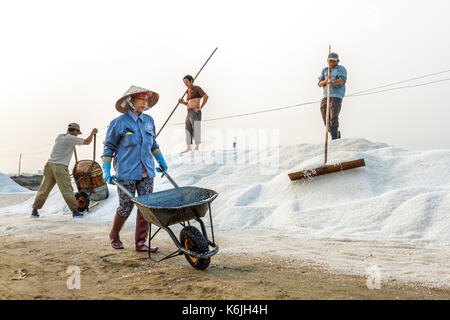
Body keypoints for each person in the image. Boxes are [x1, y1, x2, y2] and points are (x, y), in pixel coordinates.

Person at [102, 85, 168, 252]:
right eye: (141, 99)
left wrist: (161, 160)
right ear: (130, 101)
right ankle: (114, 235)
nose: (144, 102)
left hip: (147, 171)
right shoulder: (118, 123)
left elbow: (153, 144)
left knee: (145, 207)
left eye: (146, 100)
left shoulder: (149, 121)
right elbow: (109, 147)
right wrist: (106, 168)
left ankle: (140, 243)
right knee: (126, 207)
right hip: (126, 172)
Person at [31, 123, 98, 218]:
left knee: (44, 189)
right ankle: (75, 211)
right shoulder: (71, 138)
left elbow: (69, 143)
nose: (77, 135)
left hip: (49, 166)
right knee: (67, 190)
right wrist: (93, 133)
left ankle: (35, 210)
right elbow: (87, 141)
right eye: (77, 133)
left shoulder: (60, 137)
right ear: (75, 131)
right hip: (60, 167)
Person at [317, 52, 347, 140]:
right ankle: (335, 134)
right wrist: (326, 80)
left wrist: (333, 82)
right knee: (325, 117)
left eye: (333, 61)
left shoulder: (340, 68)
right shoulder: (325, 70)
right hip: (326, 96)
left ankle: (334, 139)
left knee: (333, 116)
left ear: (338, 61)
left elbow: (342, 80)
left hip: (336, 95)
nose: (331, 63)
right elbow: (319, 83)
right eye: (329, 61)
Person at [178, 75, 209, 153]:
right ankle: (189, 147)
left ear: (191, 81)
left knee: (196, 126)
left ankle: (197, 147)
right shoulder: (187, 91)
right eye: (184, 82)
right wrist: (182, 102)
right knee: (187, 128)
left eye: (187, 82)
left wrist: (200, 107)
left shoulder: (197, 88)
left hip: (195, 110)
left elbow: (206, 97)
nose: (186, 84)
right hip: (188, 111)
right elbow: (188, 103)